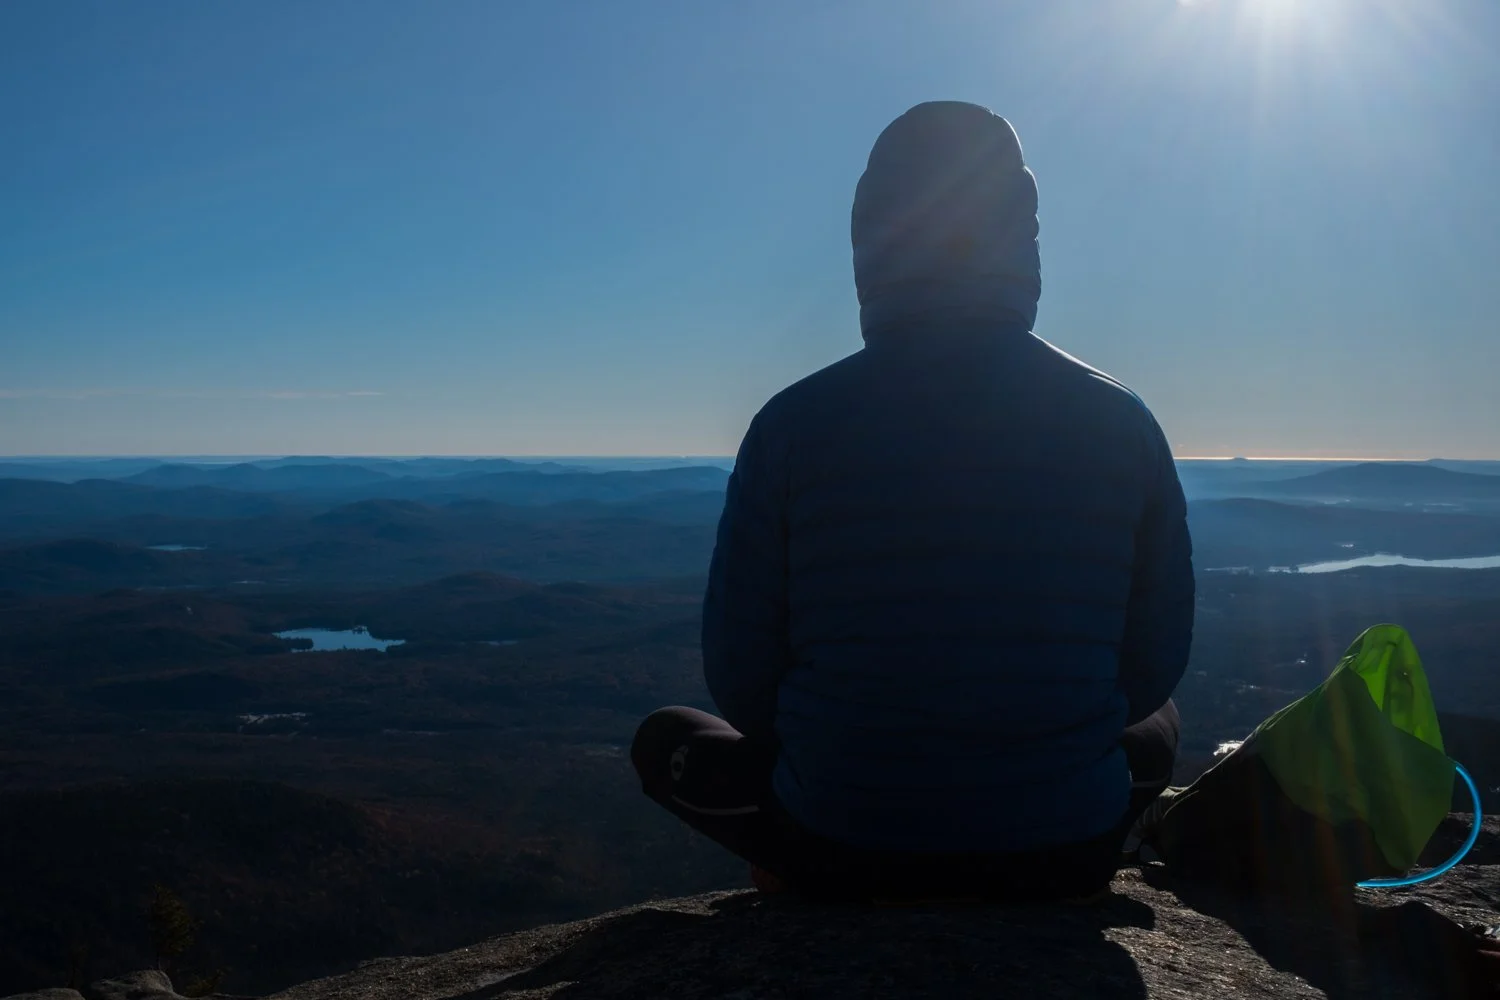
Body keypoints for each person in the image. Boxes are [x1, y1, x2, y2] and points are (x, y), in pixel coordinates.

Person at [632, 100, 1195, 902]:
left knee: (666, 741)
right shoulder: (1121, 419)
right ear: (1023, 239)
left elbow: (742, 676)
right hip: (1063, 850)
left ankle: (792, 867)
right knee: (1158, 723)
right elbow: (1151, 663)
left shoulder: (791, 425)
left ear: (869, 242)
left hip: (840, 847)